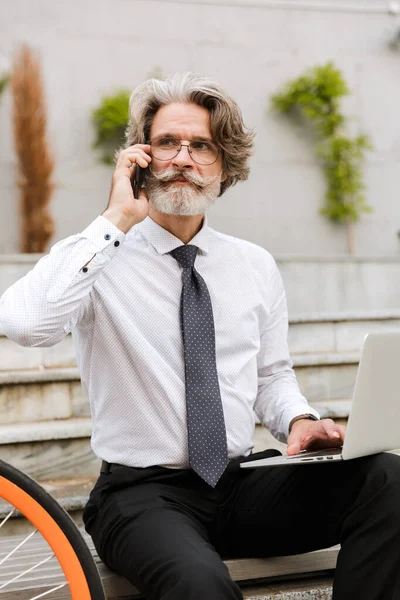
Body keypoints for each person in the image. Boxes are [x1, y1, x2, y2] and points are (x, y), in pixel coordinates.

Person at [1, 72, 399, 600]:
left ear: (224, 164)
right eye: (167, 142)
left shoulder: (252, 264)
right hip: (140, 496)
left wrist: (300, 421)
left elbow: (272, 376)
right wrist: (117, 215)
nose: (183, 158)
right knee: (200, 584)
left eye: (202, 146)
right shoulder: (98, 255)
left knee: (389, 483)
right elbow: (24, 324)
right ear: (140, 157)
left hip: (239, 485)